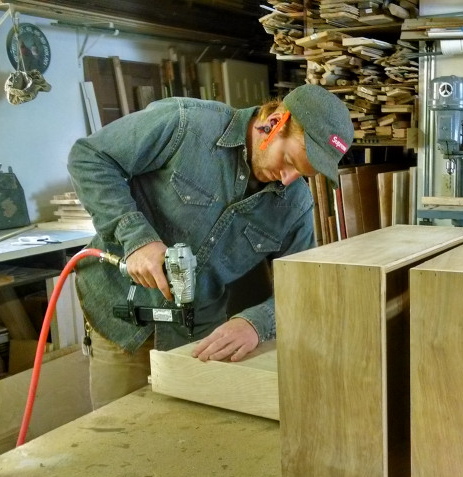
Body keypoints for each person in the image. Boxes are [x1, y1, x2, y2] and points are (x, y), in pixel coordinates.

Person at [67, 84, 353, 409]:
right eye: (288, 160)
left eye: (301, 173)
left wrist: (256, 324)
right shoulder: (186, 124)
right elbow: (90, 157)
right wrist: (136, 239)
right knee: (117, 438)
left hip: (196, 335)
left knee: (187, 439)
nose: (286, 179)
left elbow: (301, 288)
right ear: (274, 122)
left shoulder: (295, 205)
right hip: (121, 318)